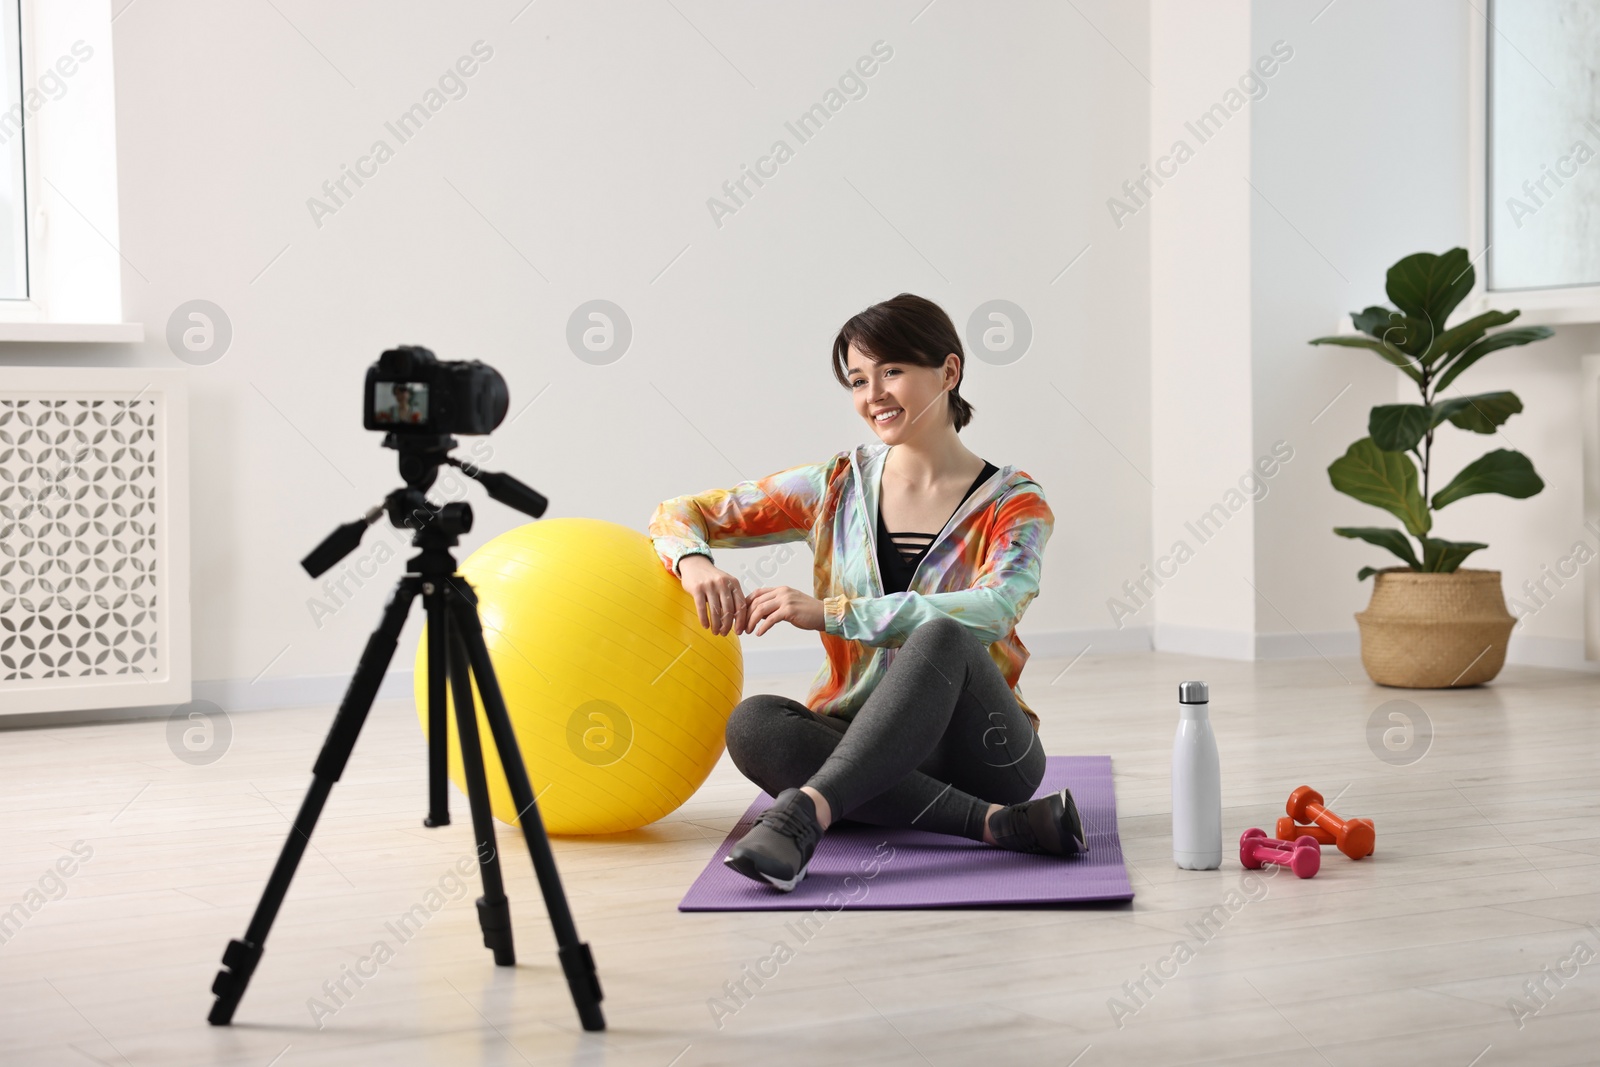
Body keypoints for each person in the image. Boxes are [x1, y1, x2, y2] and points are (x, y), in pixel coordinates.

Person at [647, 293, 1082, 893]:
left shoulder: (1015, 504)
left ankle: (809, 813)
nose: (872, 393)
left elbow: (996, 607)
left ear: (949, 371)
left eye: (892, 370)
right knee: (753, 723)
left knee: (944, 635)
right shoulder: (835, 485)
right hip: (862, 744)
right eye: (857, 379)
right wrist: (696, 565)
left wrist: (830, 613)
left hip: (987, 754)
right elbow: (680, 513)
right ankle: (992, 828)